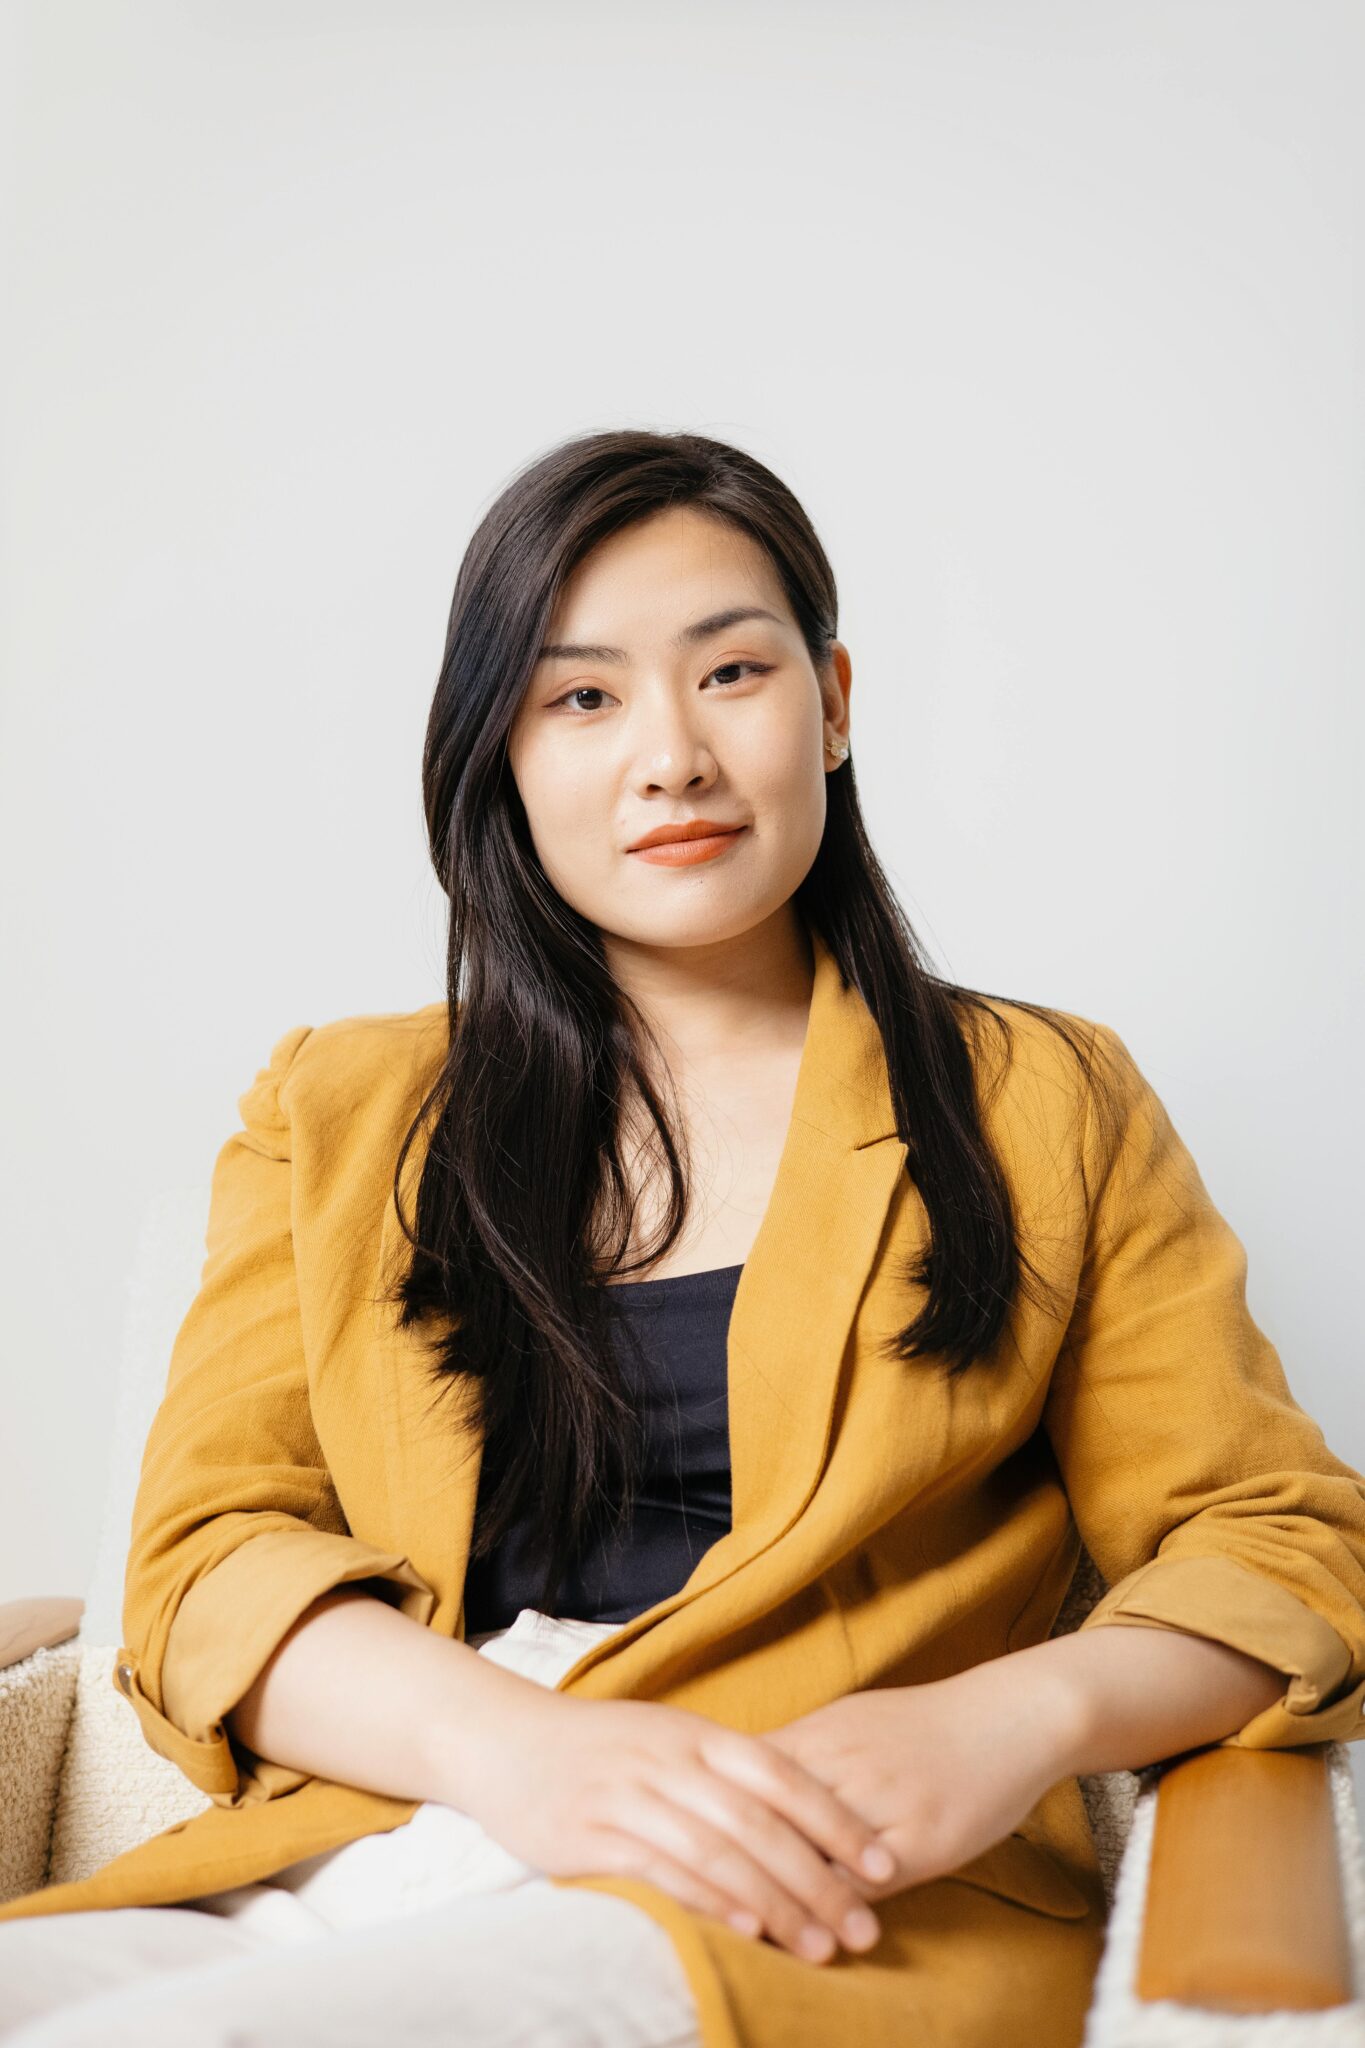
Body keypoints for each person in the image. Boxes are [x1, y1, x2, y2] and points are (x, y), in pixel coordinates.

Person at [4, 430, 1364, 2048]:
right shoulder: (340, 1105)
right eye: (582, 698)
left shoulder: (1037, 1097)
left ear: (833, 702)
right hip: (375, 1845)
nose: (670, 756)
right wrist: (518, 1754)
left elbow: (1279, 1538)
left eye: (730, 672)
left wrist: (1007, 1721)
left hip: (806, 1895)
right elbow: (207, 1564)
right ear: (498, 748)